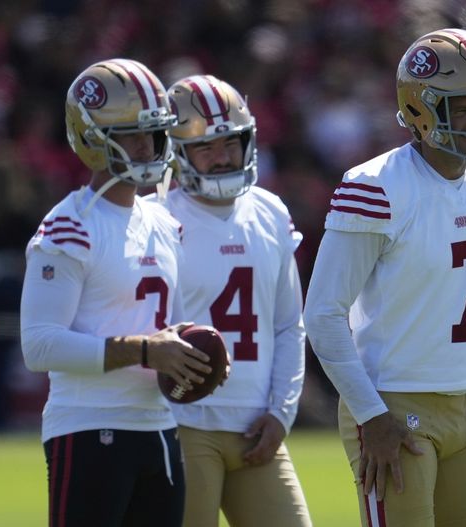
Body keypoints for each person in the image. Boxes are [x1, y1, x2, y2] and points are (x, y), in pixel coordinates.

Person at [303, 28, 466, 527]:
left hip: (464, 407)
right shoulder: (376, 187)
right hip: (391, 403)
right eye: (462, 108)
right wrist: (371, 416)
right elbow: (322, 314)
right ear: (420, 107)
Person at [20, 58, 213, 527]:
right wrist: (145, 351)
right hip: (88, 425)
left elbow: (172, 329)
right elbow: (39, 345)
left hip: (159, 427)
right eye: (131, 135)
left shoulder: (163, 222)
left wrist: (194, 356)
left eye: (152, 133)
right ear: (92, 139)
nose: (147, 147)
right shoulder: (69, 226)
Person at [150, 74, 311, 527]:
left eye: (230, 143)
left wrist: (282, 412)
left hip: (256, 426)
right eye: (205, 147)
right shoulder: (155, 220)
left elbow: (288, 324)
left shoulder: (270, 211)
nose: (221, 157)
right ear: (177, 151)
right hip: (183, 422)